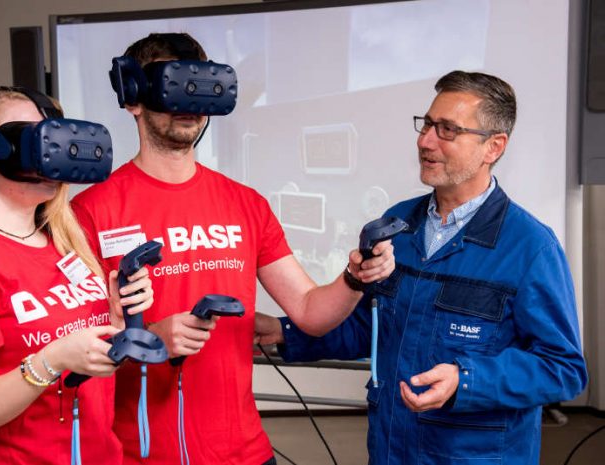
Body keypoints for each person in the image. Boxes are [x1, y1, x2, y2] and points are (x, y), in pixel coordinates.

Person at [70, 32, 395, 465]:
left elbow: (311, 313)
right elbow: (69, 347)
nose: (189, 104)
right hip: (139, 454)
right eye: (172, 86)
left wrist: (356, 277)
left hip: (244, 452)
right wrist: (146, 340)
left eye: (199, 86)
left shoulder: (245, 204)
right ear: (133, 97)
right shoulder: (89, 211)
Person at [254, 70, 588, 465]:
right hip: (391, 450)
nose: (425, 141)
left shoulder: (531, 246)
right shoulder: (397, 224)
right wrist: (285, 332)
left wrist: (465, 381)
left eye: (447, 130)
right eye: (427, 124)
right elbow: (370, 327)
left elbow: (561, 368)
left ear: (493, 147)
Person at [0, 87, 153, 465]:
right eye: (31, 137)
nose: (50, 150)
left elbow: (87, 356)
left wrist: (115, 323)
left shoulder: (66, 244)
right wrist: (53, 360)